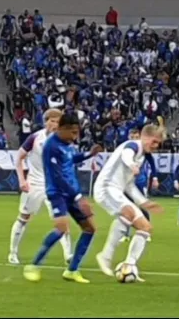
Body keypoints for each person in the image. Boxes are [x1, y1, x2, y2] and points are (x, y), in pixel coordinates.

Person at [23, 113, 102, 283]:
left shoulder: (67, 144)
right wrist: (80, 198)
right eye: (73, 132)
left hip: (72, 192)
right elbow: (58, 177)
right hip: (58, 193)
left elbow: (71, 160)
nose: (75, 136)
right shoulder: (51, 146)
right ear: (62, 129)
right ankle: (34, 265)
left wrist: (89, 154)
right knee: (61, 228)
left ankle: (72, 270)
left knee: (90, 228)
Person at [94, 125, 165, 281]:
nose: (155, 146)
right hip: (105, 188)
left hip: (118, 191)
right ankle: (106, 256)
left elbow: (129, 185)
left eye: (158, 144)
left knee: (146, 228)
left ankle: (130, 265)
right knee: (129, 213)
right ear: (144, 137)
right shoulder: (133, 146)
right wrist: (131, 164)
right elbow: (127, 154)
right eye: (154, 142)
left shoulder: (142, 157)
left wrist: (145, 203)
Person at [9, 109, 73, 265]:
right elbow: (19, 157)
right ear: (46, 122)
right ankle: (12, 253)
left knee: (62, 220)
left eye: (58, 122)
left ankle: (68, 255)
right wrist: (22, 180)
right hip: (35, 184)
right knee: (23, 218)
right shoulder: (35, 138)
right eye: (53, 121)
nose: (55, 125)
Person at [120, 128, 159, 243]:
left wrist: (155, 178)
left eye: (136, 137)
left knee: (142, 207)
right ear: (129, 137)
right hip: (125, 182)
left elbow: (152, 163)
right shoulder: (125, 148)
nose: (134, 139)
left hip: (139, 182)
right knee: (126, 208)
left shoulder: (143, 150)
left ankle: (146, 231)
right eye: (132, 137)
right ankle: (126, 234)